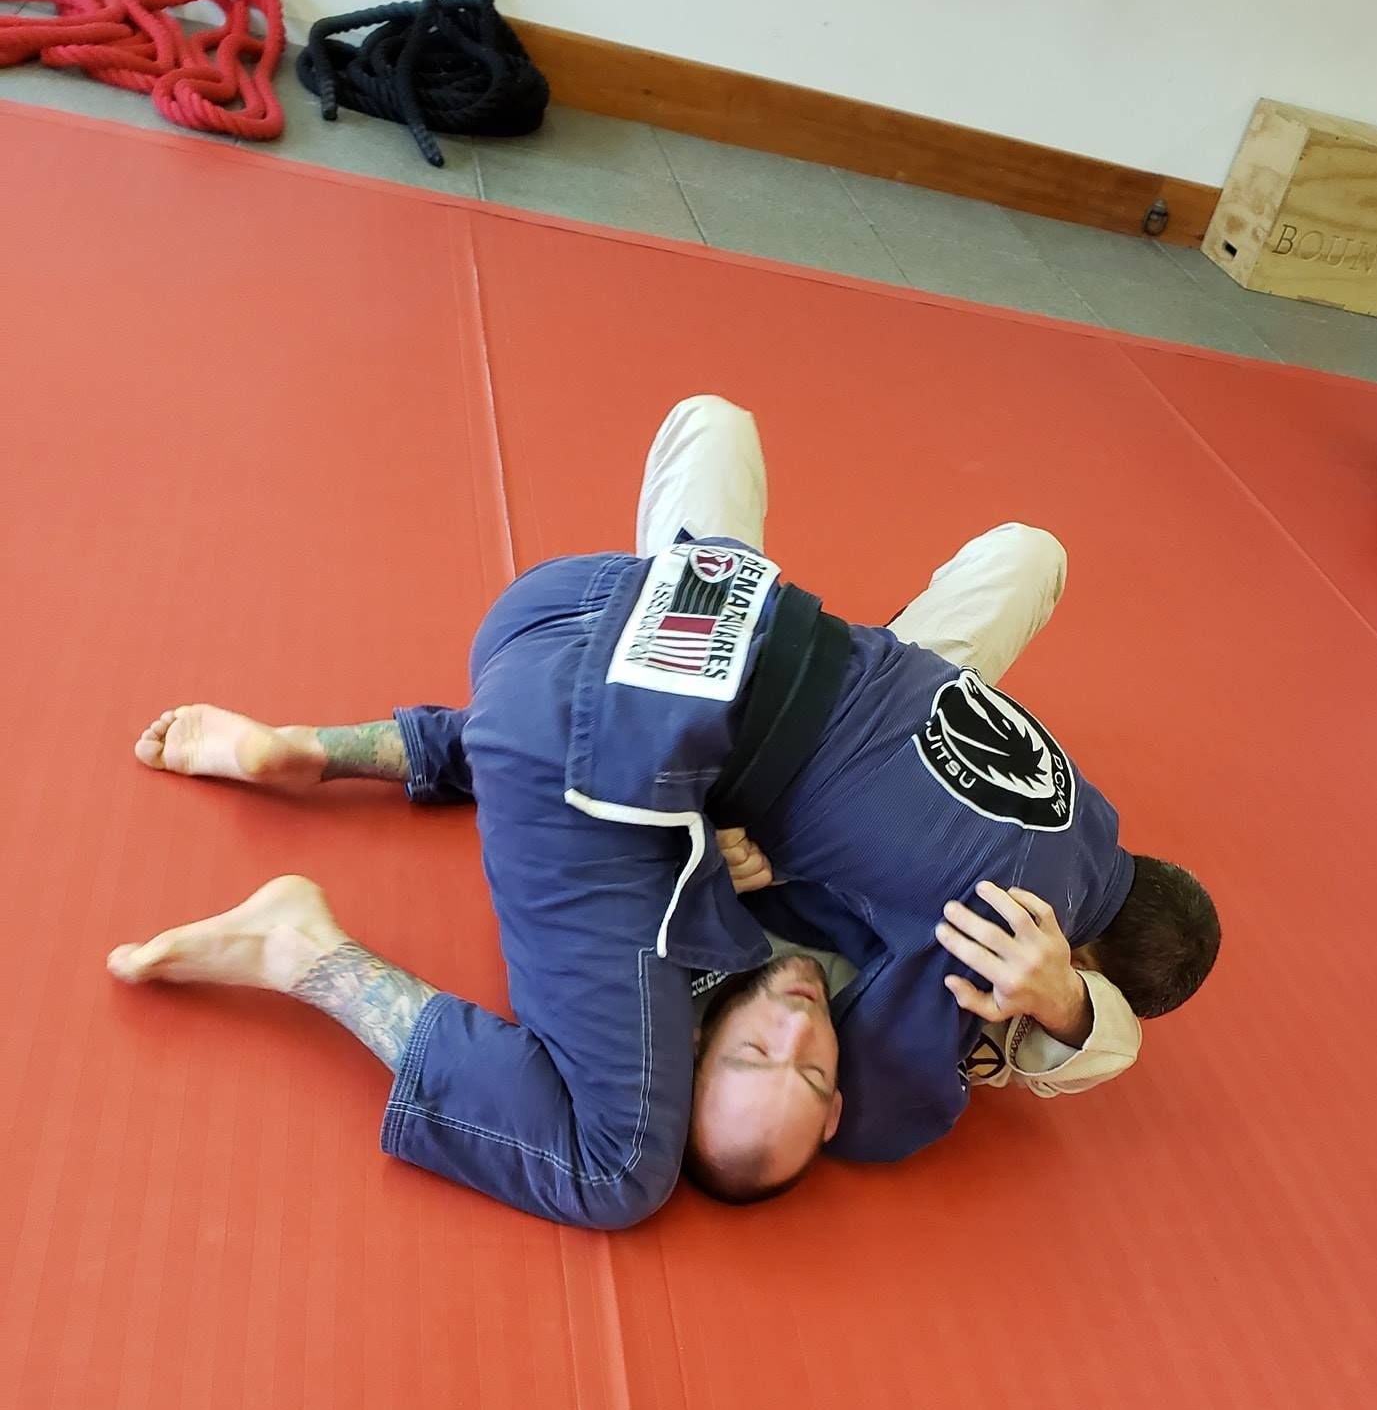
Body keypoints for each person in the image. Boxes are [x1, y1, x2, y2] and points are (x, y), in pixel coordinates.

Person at [109, 399, 1217, 1223]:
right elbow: (894, 1110)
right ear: (1080, 957)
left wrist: (1069, 1007)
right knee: (614, 1169)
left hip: (617, 604)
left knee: (749, 541)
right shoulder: (999, 946)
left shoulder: (1081, 811)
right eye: (803, 1069)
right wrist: (1033, 1008)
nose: (795, 1043)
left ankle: (325, 749)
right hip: (589, 722)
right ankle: (303, 950)